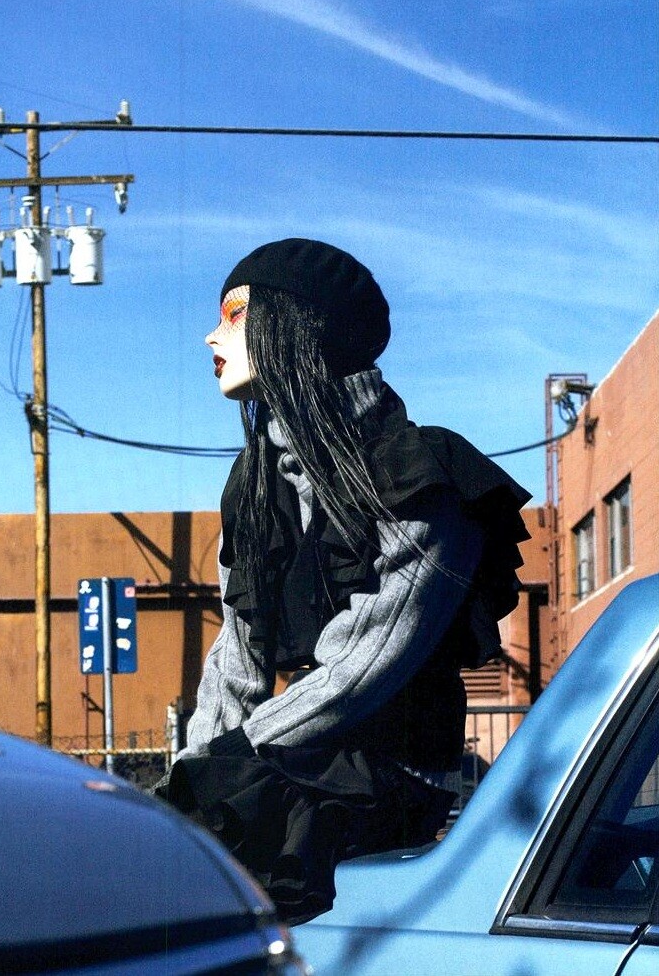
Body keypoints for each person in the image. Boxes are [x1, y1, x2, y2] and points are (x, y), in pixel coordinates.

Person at [156, 238, 530, 925]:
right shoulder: (255, 483)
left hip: (386, 776)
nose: (211, 336)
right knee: (149, 856)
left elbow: (364, 665)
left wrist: (233, 758)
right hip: (289, 759)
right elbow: (235, 654)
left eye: (235, 315)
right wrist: (196, 768)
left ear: (300, 326)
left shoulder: (417, 469)